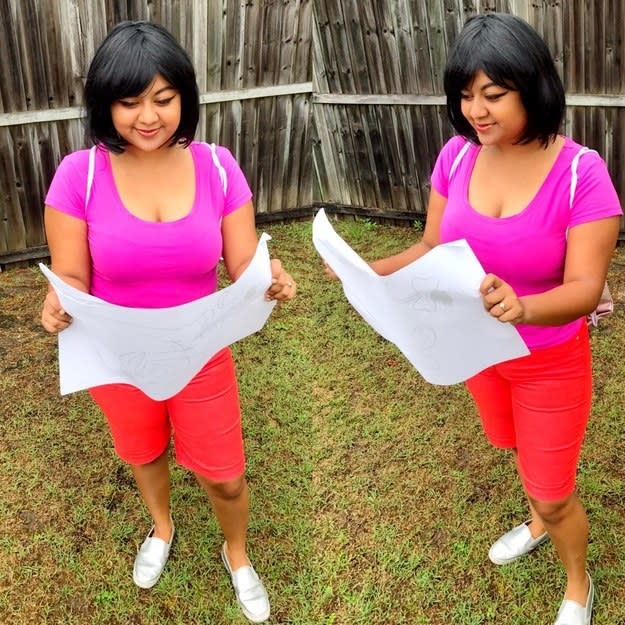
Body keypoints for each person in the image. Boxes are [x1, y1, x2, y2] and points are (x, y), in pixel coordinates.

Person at [325, 12, 621, 625]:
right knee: (512, 446)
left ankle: (576, 585)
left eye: (493, 94)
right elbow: (433, 245)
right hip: (477, 353)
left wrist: (525, 306)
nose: (475, 111)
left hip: (548, 360)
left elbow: (588, 287)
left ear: (533, 87)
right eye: (465, 95)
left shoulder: (580, 173)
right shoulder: (457, 157)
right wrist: (364, 269)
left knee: (553, 486)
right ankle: (538, 523)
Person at [40, 20, 296, 624]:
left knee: (226, 476)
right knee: (144, 451)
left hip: (201, 351)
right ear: (105, 105)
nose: (147, 116)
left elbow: (241, 264)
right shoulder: (80, 175)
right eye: (129, 103)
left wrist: (269, 275)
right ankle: (161, 527)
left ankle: (237, 555)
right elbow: (72, 276)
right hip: (116, 356)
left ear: (184, 96)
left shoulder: (218, 166)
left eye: (162, 98)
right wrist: (58, 302)